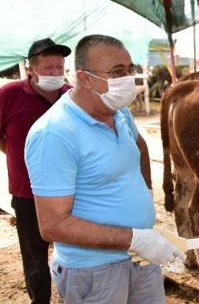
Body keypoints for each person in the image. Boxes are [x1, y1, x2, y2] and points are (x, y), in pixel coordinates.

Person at [24, 34, 184, 303]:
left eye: (129, 70)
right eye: (117, 72)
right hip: (94, 272)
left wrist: (146, 192)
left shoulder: (119, 111)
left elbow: (139, 146)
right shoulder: (55, 133)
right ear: (84, 78)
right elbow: (52, 225)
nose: (127, 79)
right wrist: (133, 238)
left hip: (141, 258)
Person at [0, 38, 72, 304]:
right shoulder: (9, 95)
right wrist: (22, 157)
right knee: (35, 258)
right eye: (48, 68)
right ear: (31, 68)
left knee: (72, 253)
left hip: (69, 193)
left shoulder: (71, 97)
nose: (55, 74)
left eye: (59, 68)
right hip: (27, 193)